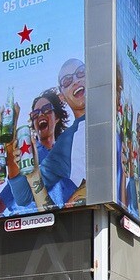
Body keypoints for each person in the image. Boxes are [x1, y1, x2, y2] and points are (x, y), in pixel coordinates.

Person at [55, 58, 88, 200]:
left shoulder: (115, 117)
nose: (75, 81)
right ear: (62, 96)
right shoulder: (66, 141)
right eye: (67, 81)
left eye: (80, 73)